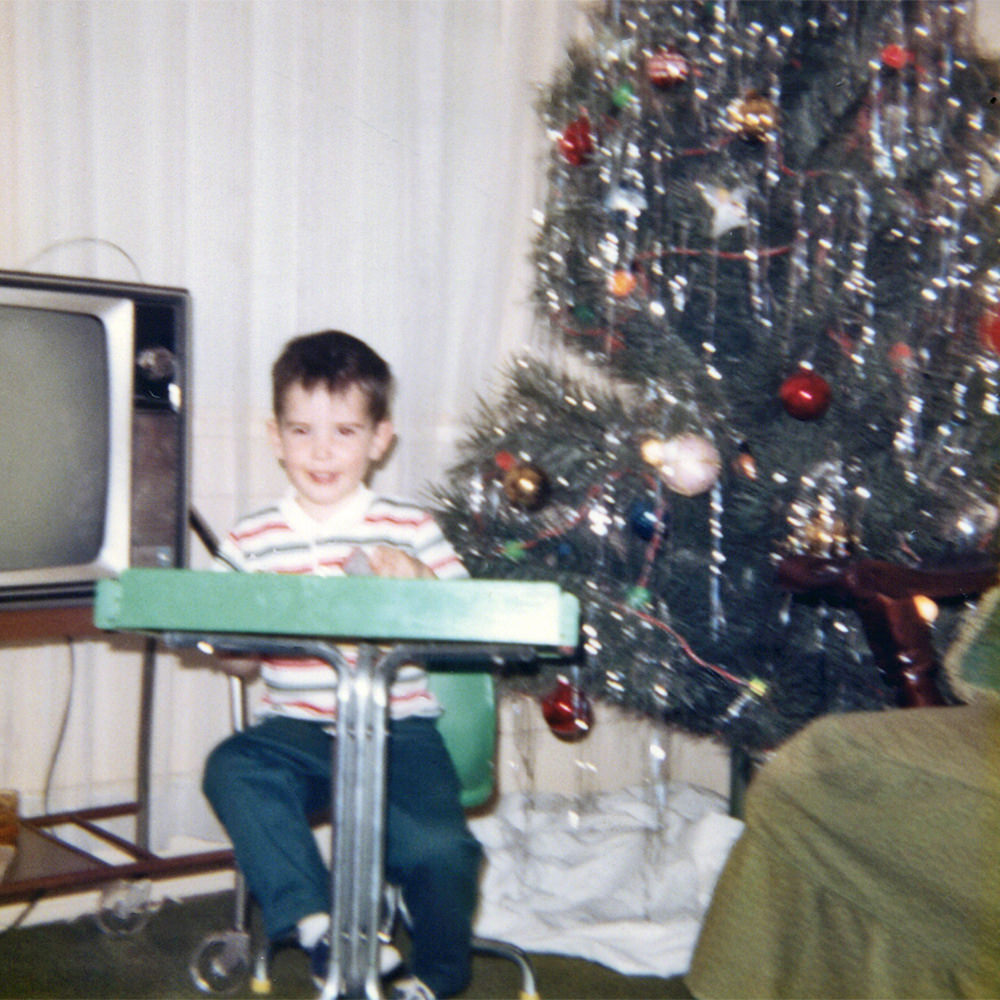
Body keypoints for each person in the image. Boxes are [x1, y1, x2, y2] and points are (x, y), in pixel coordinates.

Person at [202, 330, 482, 1000]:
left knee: (439, 850)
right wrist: (234, 648)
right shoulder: (250, 539)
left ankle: (436, 981)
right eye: (302, 431)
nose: (322, 451)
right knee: (233, 767)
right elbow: (227, 653)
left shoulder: (411, 527)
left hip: (398, 731)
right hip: (299, 730)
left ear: (380, 439)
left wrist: (420, 580)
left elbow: (470, 621)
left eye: (345, 431)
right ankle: (319, 924)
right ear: (275, 436)